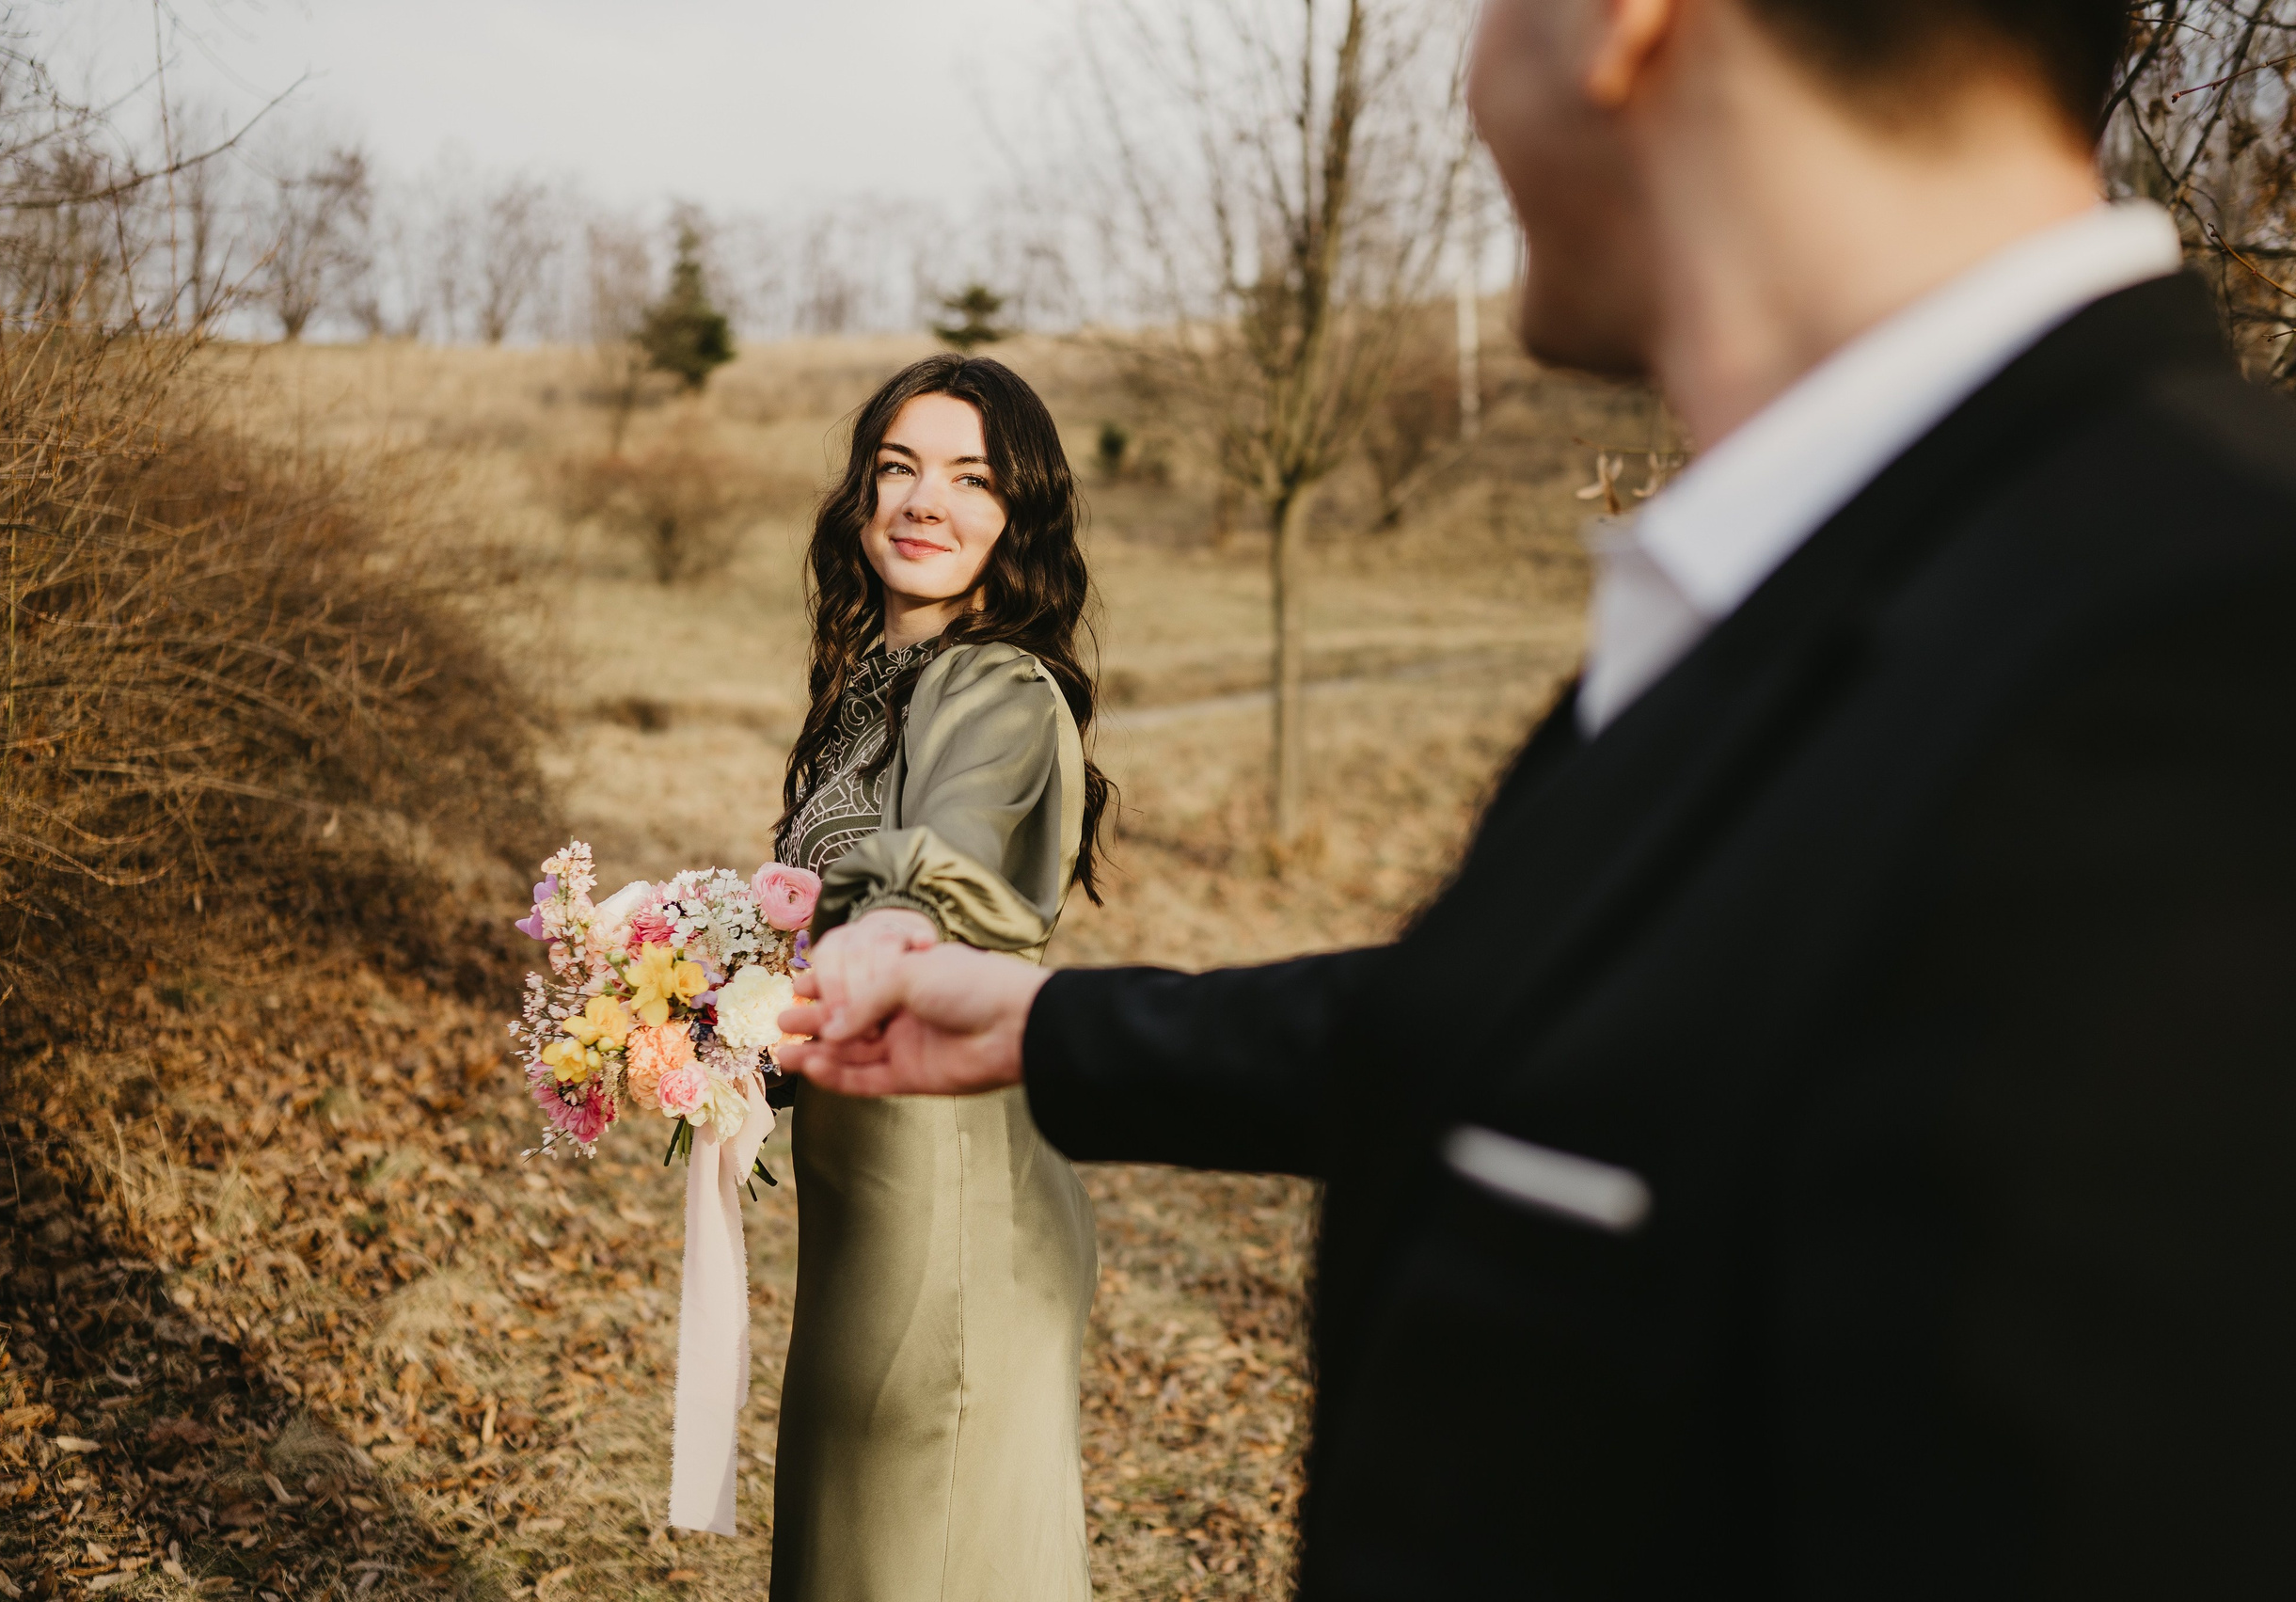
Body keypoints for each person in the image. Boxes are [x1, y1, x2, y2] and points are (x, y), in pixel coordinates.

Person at [779, 0, 2296, 1595]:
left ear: (1625, 26)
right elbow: (1604, 1035)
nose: (1472, 73)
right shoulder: (1875, 564)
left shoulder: (2208, 649)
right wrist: (1048, 1027)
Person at [762, 354, 1113, 1602]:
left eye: (970, 479)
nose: (925, 501)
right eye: (899, 467)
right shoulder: (870, 688)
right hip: (861, 1203)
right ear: (860, 495)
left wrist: (882, 930)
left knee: (930, 1563)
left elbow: (943, 869)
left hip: (950, 1204)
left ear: (1018, 515)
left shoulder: (1000, 690)